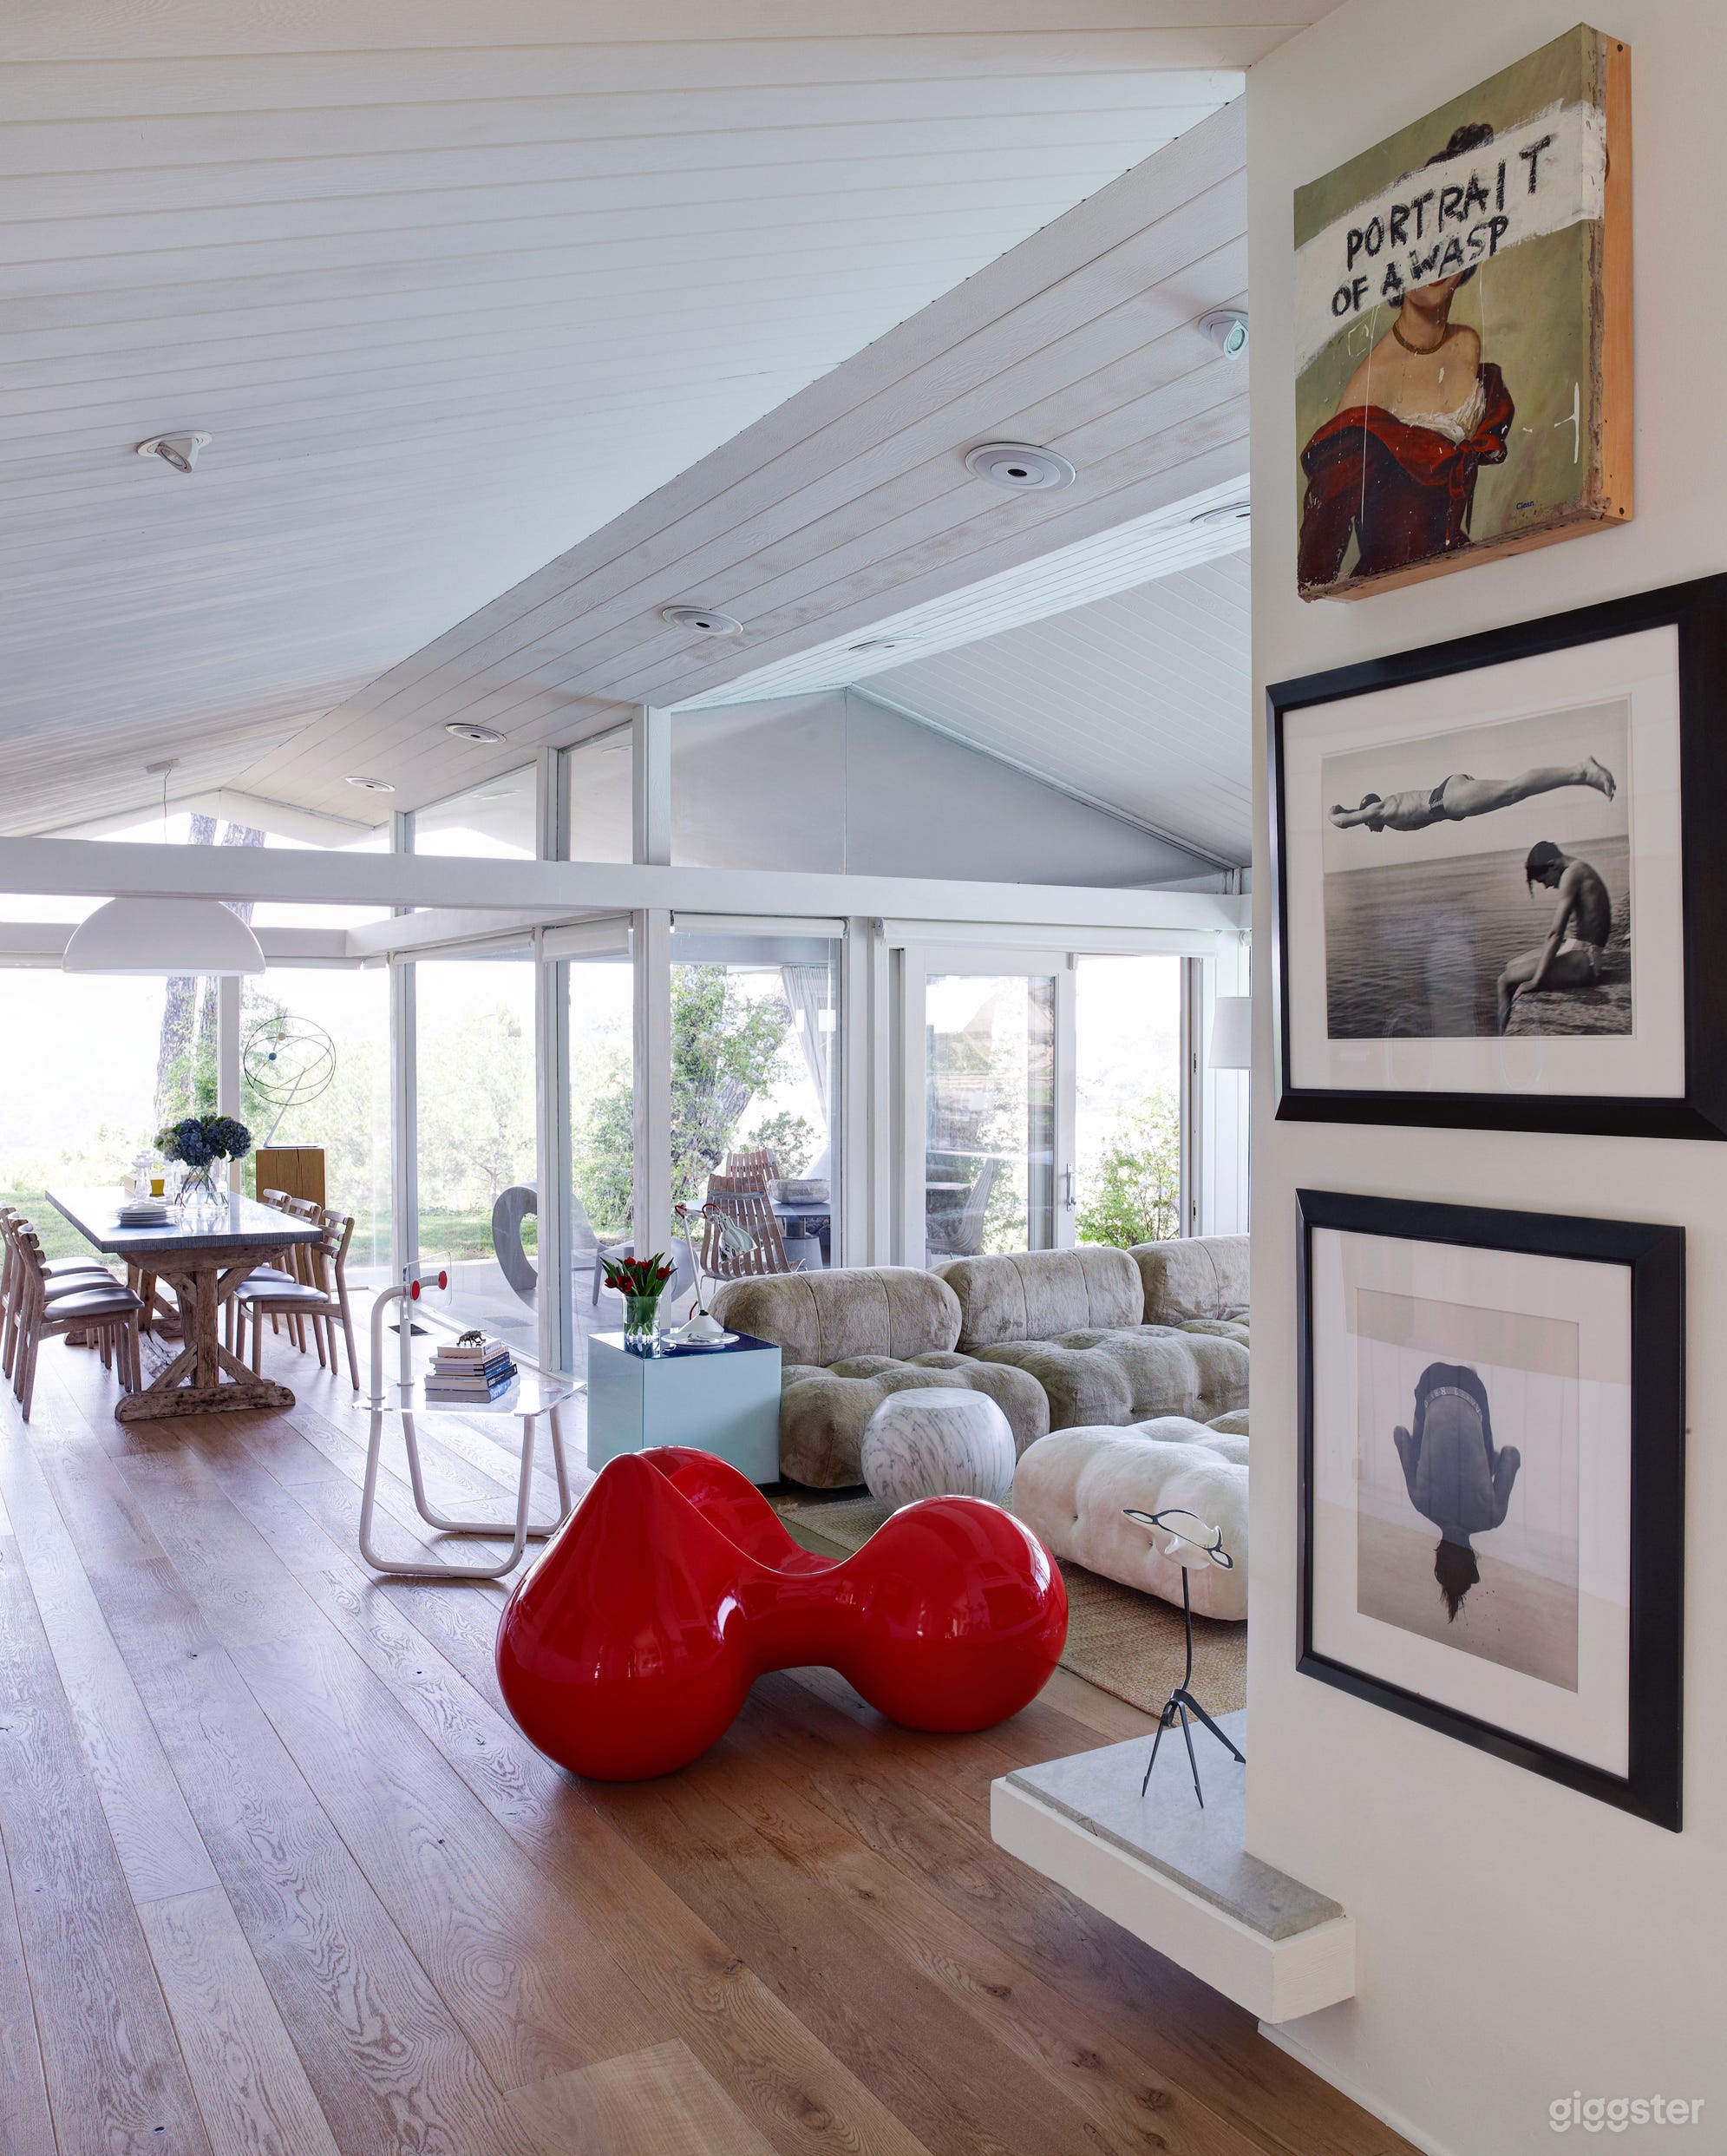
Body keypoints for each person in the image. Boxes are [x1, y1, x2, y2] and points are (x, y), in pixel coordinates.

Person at [1298, 123, 1514, 593]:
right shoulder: (1370, 385)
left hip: (1465, 583)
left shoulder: (1468, 343)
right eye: (1419, 243)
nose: (1435, 259)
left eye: (1451, 238)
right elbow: (1317, 562)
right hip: (1398, 599)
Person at [1393, 1360, 1520, 1621]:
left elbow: (1512, 1454)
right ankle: (1445, 1391)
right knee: (1416, 1451)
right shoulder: (1421, 1502)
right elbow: (1400, 1434)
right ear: (1440, 1550)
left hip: (1475, 1393)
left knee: (1487, 1461)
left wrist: (1491, 1467)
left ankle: (1467, 1379)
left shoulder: (1492, 1517)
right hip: (1432, 1379)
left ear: (1472, 1557)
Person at [1496, 841, 1613, 1032]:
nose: (1546, 886)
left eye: (1543, 880)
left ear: (1552, 865)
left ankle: (1502, 1039)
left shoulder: (1572, 873)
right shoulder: (1577, 868)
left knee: (1504, 981)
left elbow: (1555, 934)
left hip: (1586, 960)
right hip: (1576, 949)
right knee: (1511, 966)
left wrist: (1536, 982)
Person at [1330, 757, 1615, 832]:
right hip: (1448, 799)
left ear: (1368, 812)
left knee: (1513, 790)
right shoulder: (1389, 815)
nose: (1369, 826)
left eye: (1366, 822)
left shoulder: (1381, 809)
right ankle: (1580, 775)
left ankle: (1580, 771)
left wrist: (1335, 812)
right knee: (1512, 793)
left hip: (1447, 799)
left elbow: (1342, 822)